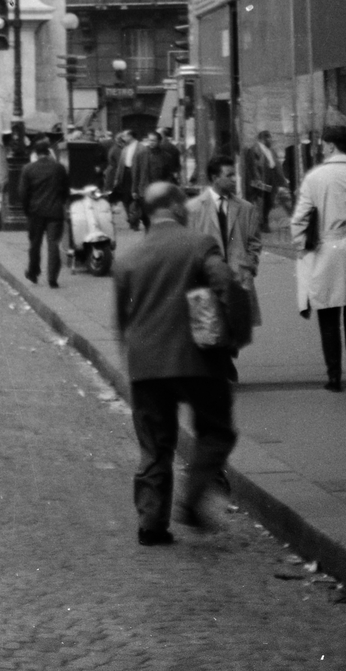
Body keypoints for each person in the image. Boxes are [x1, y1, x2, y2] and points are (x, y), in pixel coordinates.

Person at [113, 181, 239, 544]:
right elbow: (225, 283)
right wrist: (226, 330)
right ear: (175, 207)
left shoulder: (128, 259)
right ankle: (194, 496)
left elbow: (122, 320)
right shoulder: (199, 245)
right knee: (215, 431)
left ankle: (151, 524)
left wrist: (131, 359)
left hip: (146, 364)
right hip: (197, 359)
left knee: (154, 445)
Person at [291, 123, 346, 391]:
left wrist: (300, 243)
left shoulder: (315, 177)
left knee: (328, 313)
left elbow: (301, 218)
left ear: (329, 145)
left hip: (326, 250)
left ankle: (334, 376)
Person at [186, 155, 261, 381]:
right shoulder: (194, 208)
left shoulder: (245, 208)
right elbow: (188, 243)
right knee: (213, 320)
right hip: (208, 275)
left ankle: (227, 355)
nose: (234, 180)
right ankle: (223, 363)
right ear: (214, 178)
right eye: (228, 175)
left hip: (238, 274)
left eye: (234, 175)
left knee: (235, 322)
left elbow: (255, 242)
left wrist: (249, 265)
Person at [19, 140, 71, 288]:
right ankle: (52, 278)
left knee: (35, 244)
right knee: (53, 244)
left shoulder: (28, 169)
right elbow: (65, 189)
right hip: (55, 211)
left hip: (35, 212)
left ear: (35, 153)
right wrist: (60, 202)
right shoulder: (58, 168)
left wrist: (27, 210)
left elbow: (23, 193)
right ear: (48, 152)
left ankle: (33, 272)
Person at [242, 129, 278, 233]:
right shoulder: (254, 150)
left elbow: (273, 165)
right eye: (269, 138)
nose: (271, 140)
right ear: (263, 139)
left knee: (268, 202)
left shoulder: (269, 150)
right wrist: (259, 183)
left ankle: (263, 222)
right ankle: (262, 224)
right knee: (261, 202)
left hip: (269, 180)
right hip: (261, 182)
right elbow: (253, 167)